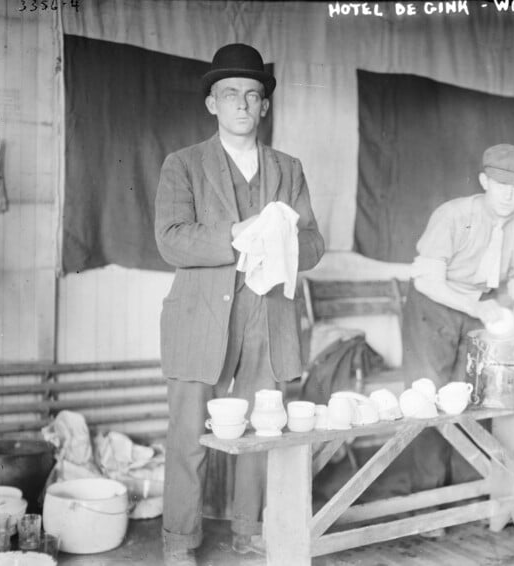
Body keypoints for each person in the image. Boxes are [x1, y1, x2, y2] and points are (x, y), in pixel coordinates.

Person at [154, 43, 325, 565]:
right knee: (188, 435)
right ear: (212, 104)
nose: (242, 105)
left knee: (261, 428)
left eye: (253, 95)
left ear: (264, 107)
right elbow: (171, 240)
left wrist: (283, 243)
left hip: (266, 315)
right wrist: (238, 233)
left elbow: (314, 245)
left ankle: (250, 529)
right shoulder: (182, 164)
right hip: (201, 314)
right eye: (230, 95)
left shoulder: (287, 168)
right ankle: (180, 541)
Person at [401, 143, 514, 536]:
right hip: (432, 306)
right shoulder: (453, 214)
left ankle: (469, 502)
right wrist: (477, 308)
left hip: (480, 312)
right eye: (500, 185)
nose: (508, 195)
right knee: (429, 402)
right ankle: (428, 513)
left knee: (470, 400)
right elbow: (428, 280)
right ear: (484, 181)